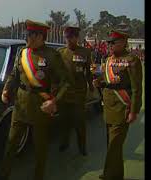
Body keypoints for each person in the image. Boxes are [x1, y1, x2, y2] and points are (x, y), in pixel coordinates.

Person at [0, 19, 74, 180]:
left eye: (30, 35)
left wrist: (54, 101)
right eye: (26, 34)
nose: (26, 38)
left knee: (40, 147)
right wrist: (6, 89)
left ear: (40, 36)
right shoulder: (23, 53)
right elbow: (14, 74)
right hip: (20, 105)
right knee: (11, 142)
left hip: (40, 107)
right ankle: (2, 175)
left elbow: (66, 82)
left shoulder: (52, 55)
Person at [93, 30, 143, 180]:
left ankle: (109, 175)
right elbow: (106, 80)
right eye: (108, 43)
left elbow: (136, 88)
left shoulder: (131, 60)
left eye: (112, 42)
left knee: (114, 145)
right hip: (108, 108)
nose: (109, 45)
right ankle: (115, 174)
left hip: (122, 108)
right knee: (112, 145)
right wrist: (99, 82)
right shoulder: (108, 60)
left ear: (122, 42)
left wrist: (134, 111)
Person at [57, 26, 94, 156]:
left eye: (70, 37)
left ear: (76, 38)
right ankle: (64, 142)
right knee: (63, 121)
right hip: (64, 94)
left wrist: (91, 86)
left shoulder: (85, 52)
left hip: (79, 93)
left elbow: (88, 72)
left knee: (79, 122)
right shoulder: (60, 52)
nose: (67, 40)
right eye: (66, 37)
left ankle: (82, 146)